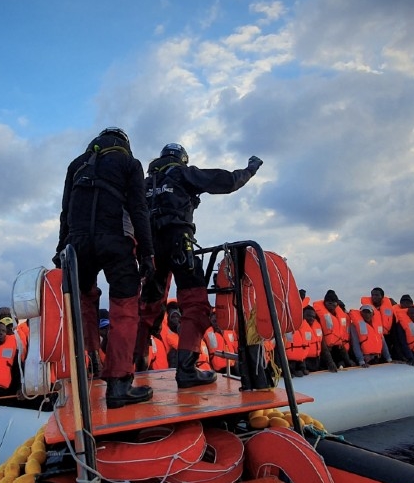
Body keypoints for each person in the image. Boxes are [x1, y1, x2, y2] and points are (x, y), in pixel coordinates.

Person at [138, 142, 262, 389]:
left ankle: (135, 366)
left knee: (147, 308)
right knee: (195, 304)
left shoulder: (143, 184)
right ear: (181, 159)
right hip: (178, 245)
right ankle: (186, 370)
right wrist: (250, 170)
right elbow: (226, 181)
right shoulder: (183, 173)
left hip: (149, 250)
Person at [54, 127, 155, 409]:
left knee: (85, 301)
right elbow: (139, 209)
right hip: (116, 241)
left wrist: (61, 248)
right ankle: (120, 385)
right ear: (125, 144)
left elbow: (66, 211)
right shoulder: (129, 164)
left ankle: (92, 361)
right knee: (124, 309)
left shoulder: (77, 164)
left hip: (78, 244)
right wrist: (147, 253)